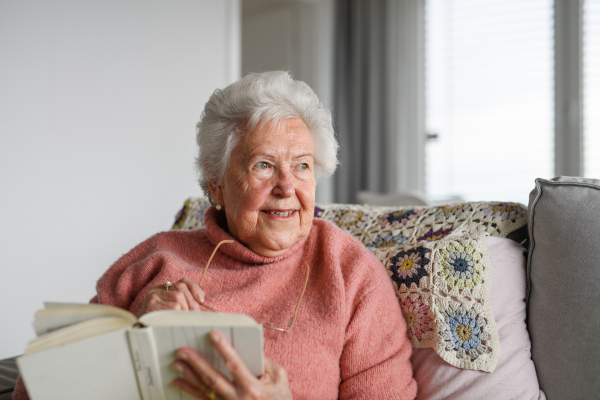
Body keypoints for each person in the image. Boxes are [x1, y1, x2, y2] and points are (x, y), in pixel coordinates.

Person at [13, 71, 417, 400]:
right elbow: (33, 390)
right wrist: (130, 336)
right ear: (218, 184)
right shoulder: (156, 260)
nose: (286, 186)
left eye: (302, 166)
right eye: (263, 165)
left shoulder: (350, 275)